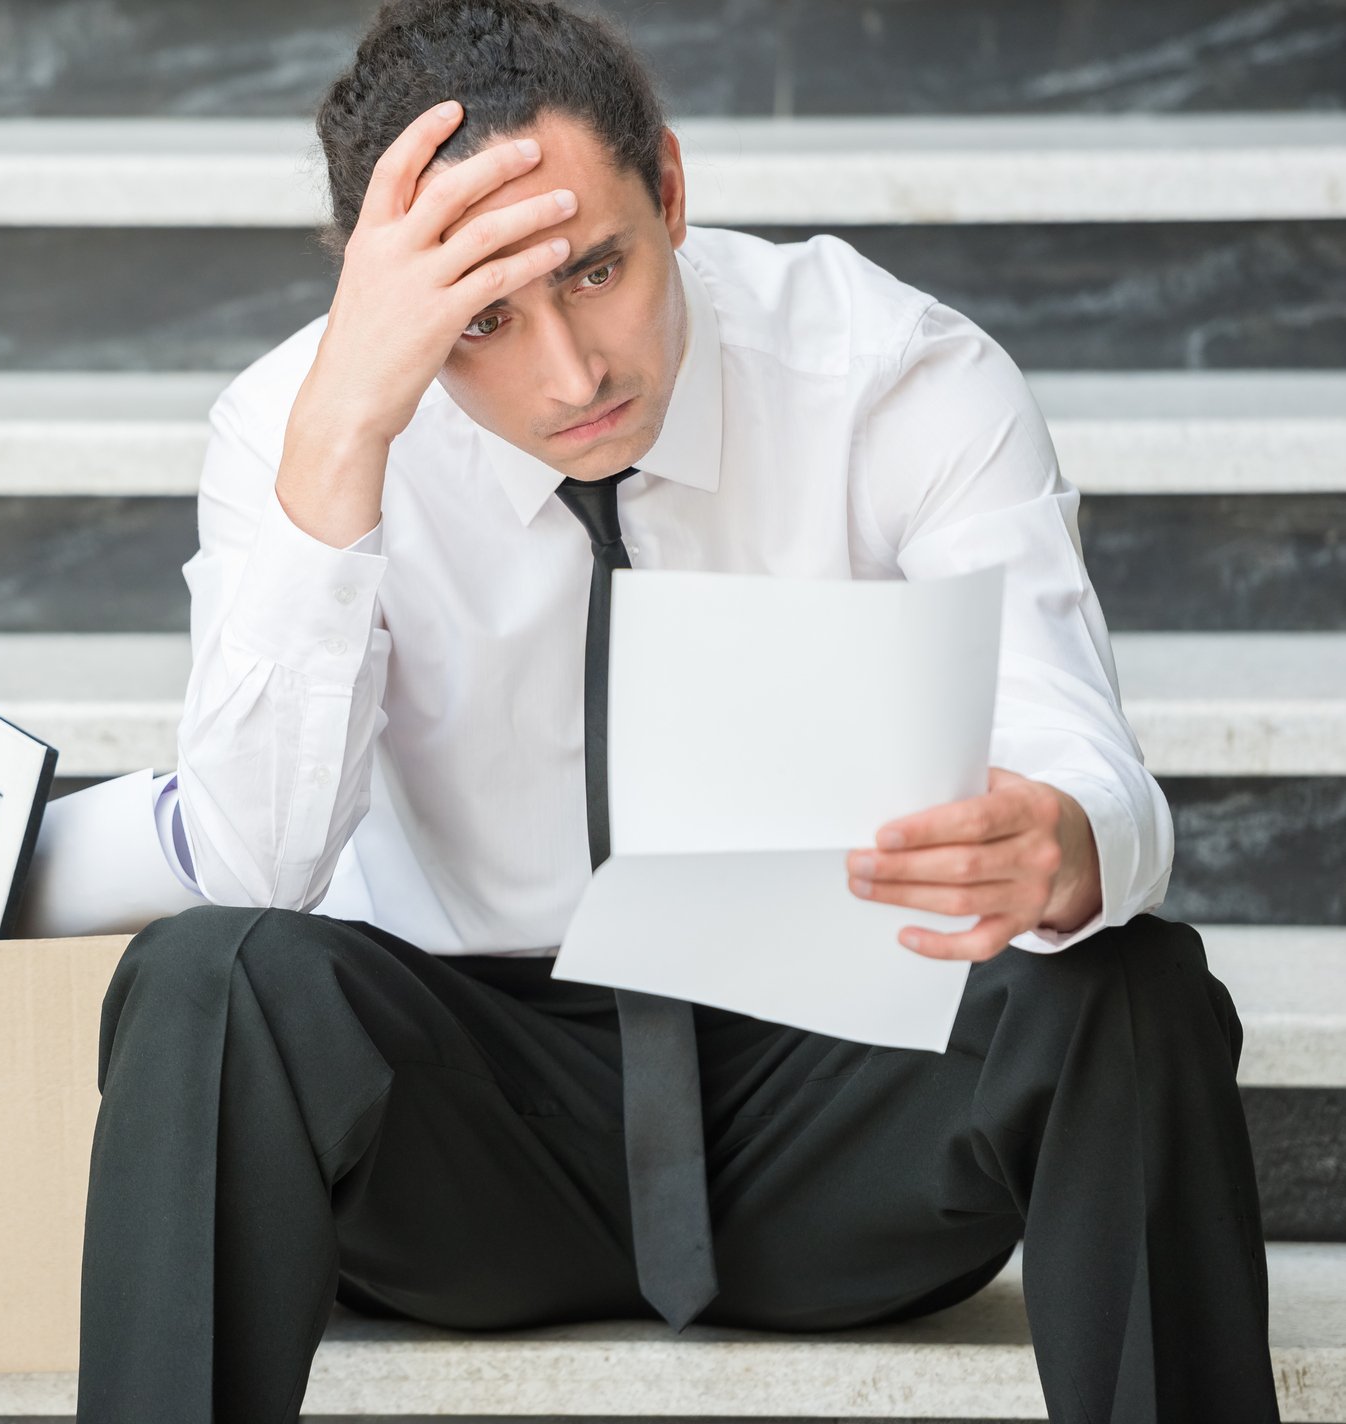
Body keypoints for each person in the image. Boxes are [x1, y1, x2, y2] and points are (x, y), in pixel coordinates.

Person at [76, 2, 1278, 1420]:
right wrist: (343, 433)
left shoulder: (893, 372)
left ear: (673, 193)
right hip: (472, 1128)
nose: (568, 374)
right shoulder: (293, 426)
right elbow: (251, 865)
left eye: (595, 269)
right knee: (209, 983)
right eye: (481, 320)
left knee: (1125, 985)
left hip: (834, 1097)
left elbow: (1078, 748)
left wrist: (1064, 841)